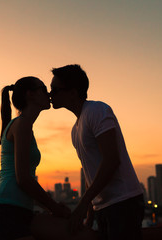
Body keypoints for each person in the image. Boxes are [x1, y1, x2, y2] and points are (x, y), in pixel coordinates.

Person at [50, 64, 145, 240]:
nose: (50, 95)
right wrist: (90, 214)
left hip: (123, 202)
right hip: (103, 207)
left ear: (73, 92)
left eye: (55, 90)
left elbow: (111, 160)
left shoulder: (97, 111)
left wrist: (83, 203)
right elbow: (90, 173)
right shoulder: (75, 130)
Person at [0, 76, 71, 240]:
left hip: (20, 211)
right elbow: (23, 179)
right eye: (43, 89)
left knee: (78, 232)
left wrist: (52, 207)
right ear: (30, 94)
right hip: (5, 215)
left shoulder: (25, 125)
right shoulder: (22, 124)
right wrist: (55, 208)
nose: (49, 94)